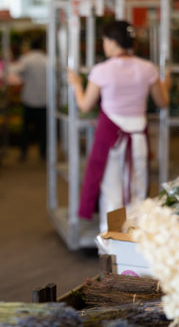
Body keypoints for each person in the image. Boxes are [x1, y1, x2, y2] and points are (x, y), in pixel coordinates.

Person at [66, 20, 170, 233]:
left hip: (111, 140)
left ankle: (112, 249)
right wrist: (165, 84)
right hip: (138, 138)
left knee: (112, 193)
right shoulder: (147, 68)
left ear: (112, 43)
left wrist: (76, 84)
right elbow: (163, 102)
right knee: (138, 191)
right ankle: (137, 243)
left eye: (105, 40)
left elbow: (85, 104)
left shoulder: (101, 70)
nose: (104, 44)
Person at [9, 36, 47, 161]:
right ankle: (43, 153)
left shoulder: (26, 59)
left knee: (25, 129)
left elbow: (14, 71)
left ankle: (23, 153)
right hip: (44, 99)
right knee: (43, 129)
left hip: (29, 99)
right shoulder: (47, 60)